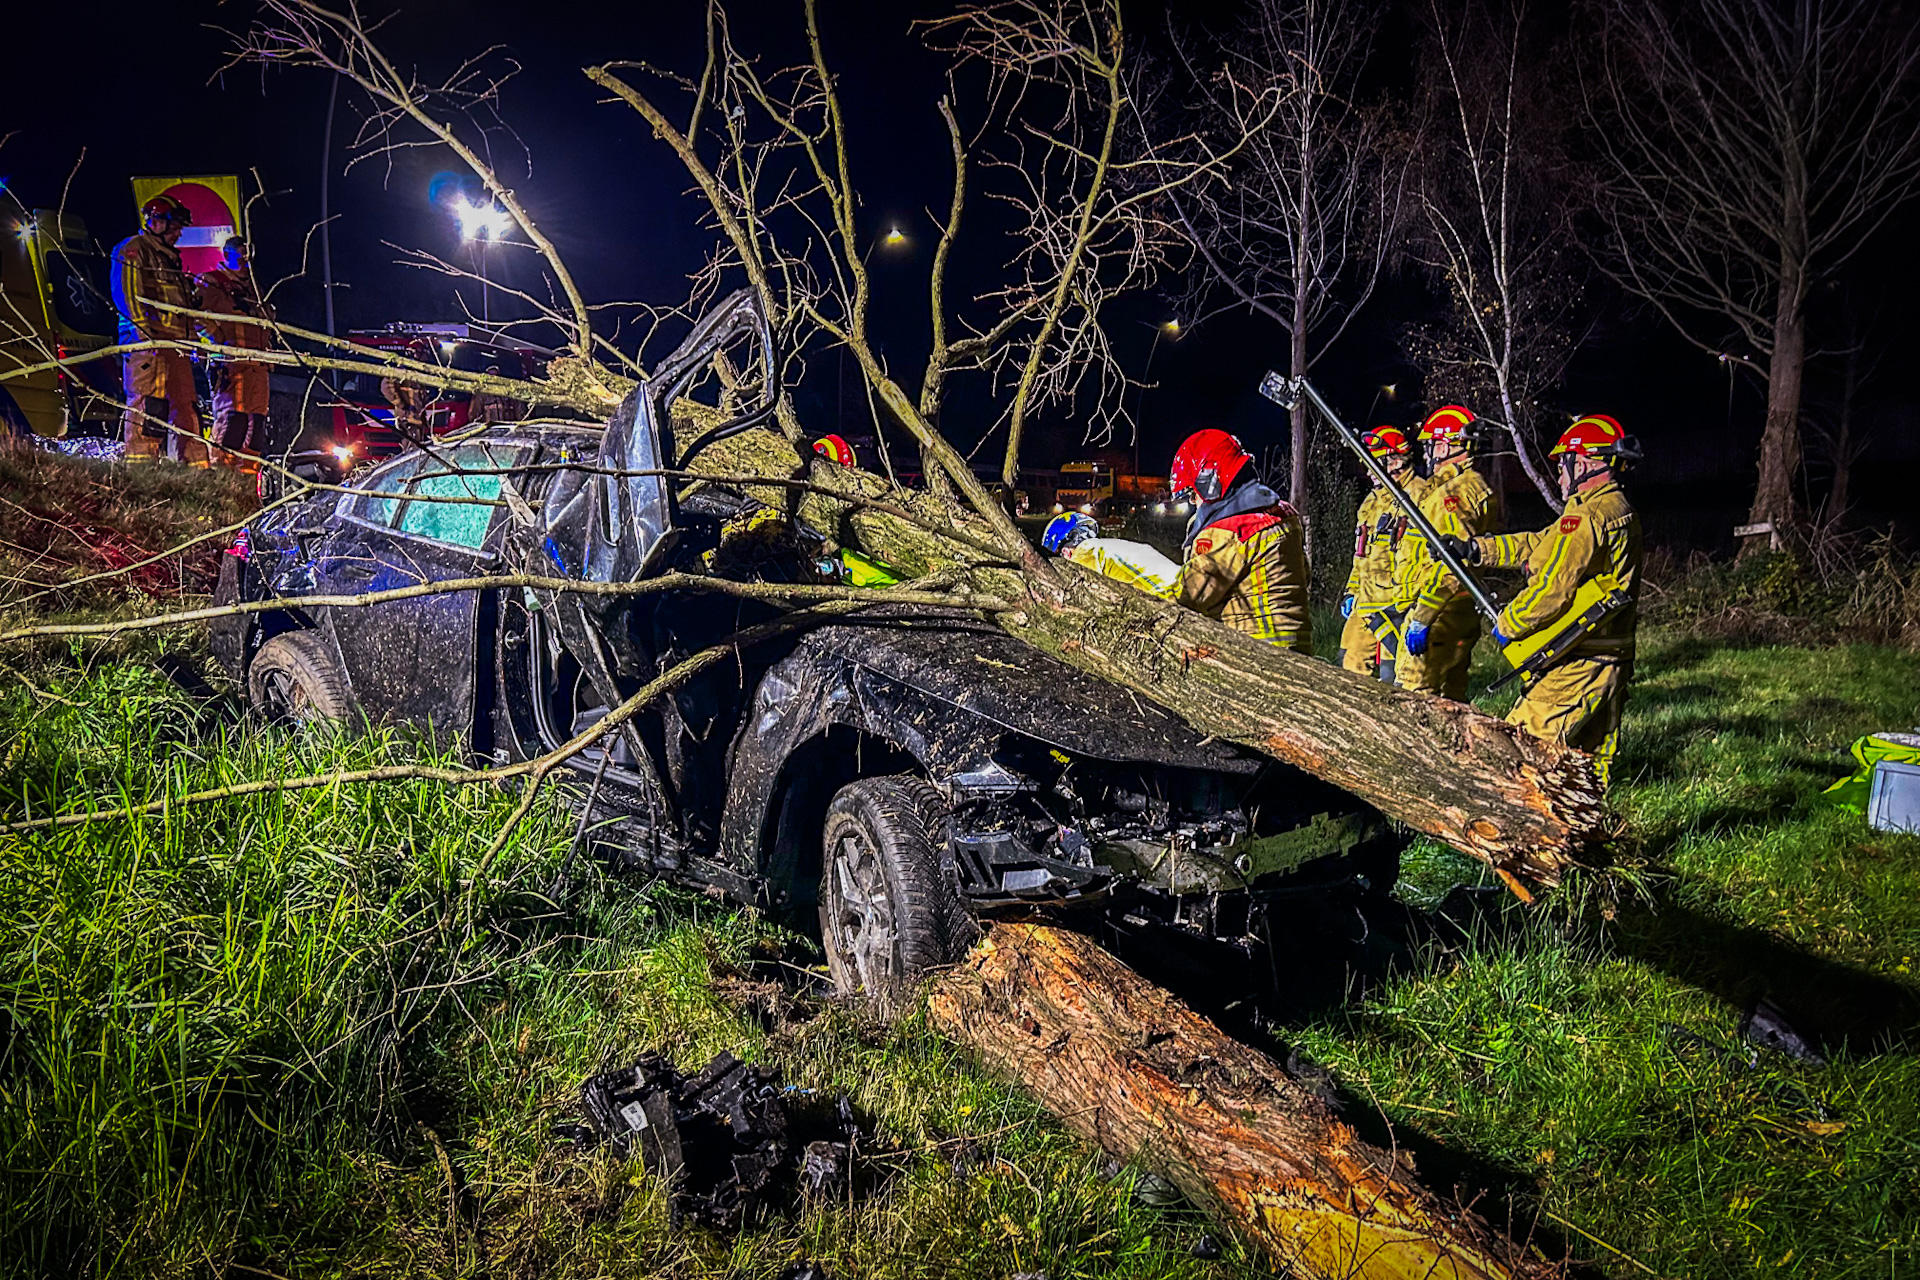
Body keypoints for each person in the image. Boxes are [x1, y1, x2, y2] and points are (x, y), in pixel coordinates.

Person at [1448, 414, 1643, 788]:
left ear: (1583, 461)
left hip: (1577, 665)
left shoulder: (1587, 518)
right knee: (1585, 767)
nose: (1560, 475)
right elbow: (1539, 544)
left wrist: (1510, 623)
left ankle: (1521, 836)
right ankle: (1585, 838)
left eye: (1563, 465)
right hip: (1610, 657)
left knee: (1523, 752)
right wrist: (1476, 549)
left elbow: (1553, 589)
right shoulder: (1616, 509)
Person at [1168, 428, 1311, 653]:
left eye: (1192, 493)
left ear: (1210, 483)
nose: (1194, 502)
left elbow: (1190, 596)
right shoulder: (1283, 515)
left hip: (1258, 654)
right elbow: (1305, 574)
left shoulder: (1229, 532)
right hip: (1299, 647)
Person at [1389, 405, 1495, 700]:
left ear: (1449, 445)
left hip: (1438, 616)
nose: (1428, 453)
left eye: (1433, 444)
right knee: (1451, 700)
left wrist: (1423, 616)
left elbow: (1451, 564)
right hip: (1457, 613)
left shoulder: (1454, 495)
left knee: (1416, 700)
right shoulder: (1470, 487)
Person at [110, 195, 206, 465]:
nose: (178, 234)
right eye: (174, 227)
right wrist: (144, 336)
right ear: (154, 221)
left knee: (186, 406)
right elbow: (128, 296)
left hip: (176, 345)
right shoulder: (134, 249)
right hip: (148, 344)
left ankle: (196, 468)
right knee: (149, 404)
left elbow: (183, 308)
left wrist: (192, 341)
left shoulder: (170, 258)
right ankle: (142, 465)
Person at [1336, 425, 1424, 677]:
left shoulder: (1419, 496)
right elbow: (1361, 555)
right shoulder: (1371, 502)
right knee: (1347, 666)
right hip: (1363, 604)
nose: (1368, 471)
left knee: (1392, 676)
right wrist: (1351, 591)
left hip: (1395, 608)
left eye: (1374, 462)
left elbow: (1420, 557)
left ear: (1395, 460)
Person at [196, 237, 273, 470]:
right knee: (233, 420)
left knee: (256, 423)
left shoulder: (254, 289)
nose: (245, 262)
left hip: (257, 365)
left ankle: (249, 476)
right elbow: (195, 315)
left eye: (247, 257)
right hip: (231, 364)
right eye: (240, 256)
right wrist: (217, 338)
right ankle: (222, 472)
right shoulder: (212, 282)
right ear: (227, 255)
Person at [1040, 510, 1180, 598]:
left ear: (1066, 551)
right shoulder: (1108, 546)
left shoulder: (1087, 553)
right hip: (1183, 580)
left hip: (1175, 593)